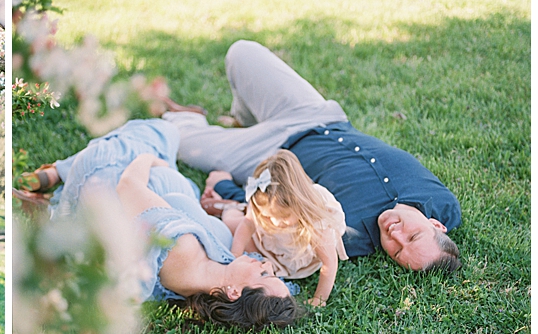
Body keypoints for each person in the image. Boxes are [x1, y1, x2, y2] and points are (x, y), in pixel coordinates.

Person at [162, 40, 461, 273]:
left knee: (180, 139)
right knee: (242, 52)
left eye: (395, 251)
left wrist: (225, 185)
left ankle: (191, 119)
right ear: (437, 225)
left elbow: (276, 220)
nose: (394, 235)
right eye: (412, 237)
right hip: (319, 116)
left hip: (274, 153)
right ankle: (244, 118)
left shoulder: (348, 234)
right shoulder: (445, 205)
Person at [20, 118, 303, 329]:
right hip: (152, 199)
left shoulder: (181, 245)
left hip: (109, 180)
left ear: (233, 293)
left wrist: (151, 160)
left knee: (162, 132)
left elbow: (128, 185)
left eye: (265, 274)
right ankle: (55, 191)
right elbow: (276, 296)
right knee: (172, 160)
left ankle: (59, 174)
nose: (265, 265)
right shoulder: (206, 287)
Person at [217, 150, 348, 307]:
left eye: (284, 217)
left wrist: (319, 299)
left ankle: (229, 204)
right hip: (267, 244)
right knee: (230, 224)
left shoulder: (314, 220)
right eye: (267, 216)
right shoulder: (263, 197)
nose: (276, 223)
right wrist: (235, 255)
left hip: (296, 258)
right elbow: (247, 225)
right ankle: (229, 208)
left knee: (240, 228)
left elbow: (330, 263)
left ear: (300, 204)